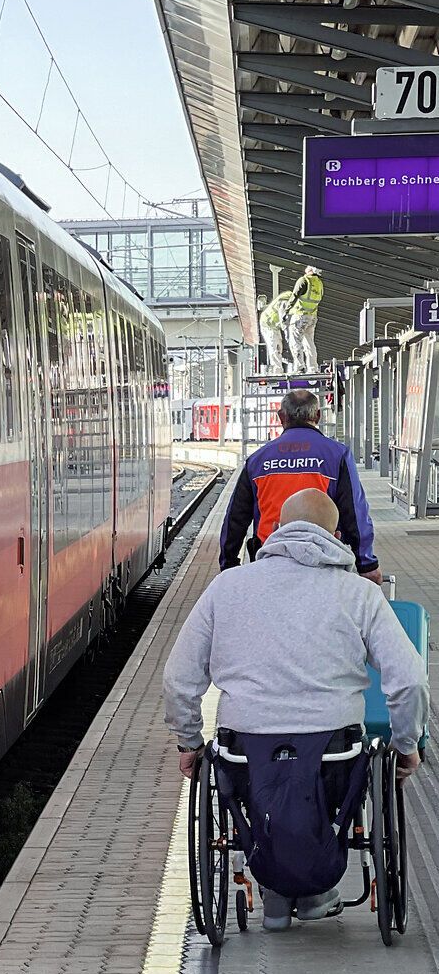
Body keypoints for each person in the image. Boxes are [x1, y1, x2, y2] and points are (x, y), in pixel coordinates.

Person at [165, 490, 427, 930]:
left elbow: (178, 679)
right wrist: (406, 744)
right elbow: (410, 679)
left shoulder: (227, 587)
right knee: (330, 790)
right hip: (335, 756)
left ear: (271, 532)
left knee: (259, 791)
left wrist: (189, 741)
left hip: (243, 753)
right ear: (338, 537)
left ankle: (275, 890)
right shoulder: (360, 595)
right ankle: (315, 892)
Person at [220, 385, 380, 581]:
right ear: (318, 416)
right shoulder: (337, 455)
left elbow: (236, 517)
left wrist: (228, 564)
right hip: (324, 559)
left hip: (269, 557)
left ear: (281, 417)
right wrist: (366, 564)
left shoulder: (258, 460)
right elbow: (354, 512)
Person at [285, 263, 324, 376]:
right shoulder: (319, 283)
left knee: (295, 341)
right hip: (312, 316)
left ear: (310, 269)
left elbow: (294, 296)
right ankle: (313, 367)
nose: (305, 268)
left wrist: (286, 311)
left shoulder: (304, 280)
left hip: (300, 315)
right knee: (309, 342)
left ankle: (299, 366)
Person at [258, 291, 291, 373]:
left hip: (274, 325)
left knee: (278, 346)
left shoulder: (289, 298)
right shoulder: (285, 302)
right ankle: (277, 370)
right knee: (274, 346)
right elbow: (283, 320)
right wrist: (288, 335)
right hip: (267, 324)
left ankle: (278, 367)